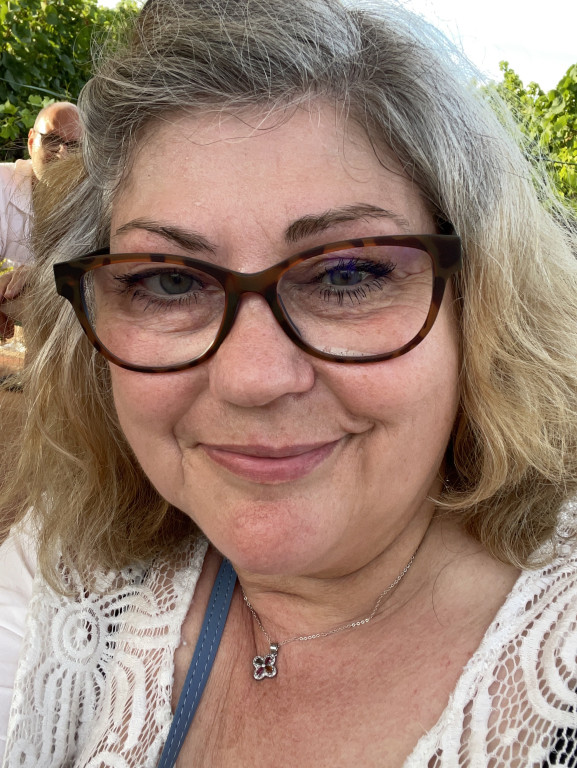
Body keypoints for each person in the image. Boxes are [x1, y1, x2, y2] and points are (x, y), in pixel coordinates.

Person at [1, 0, 576, 765]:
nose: (252, 378)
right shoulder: (68, 574)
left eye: (347, 273)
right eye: (169, 282)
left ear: (481, 305)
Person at [0, 101, 81, 337]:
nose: (63, 153)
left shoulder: (98, 196)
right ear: (31, 141)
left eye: (74, 145)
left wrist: (43, 274)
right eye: (53, 140)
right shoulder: (2, 183)